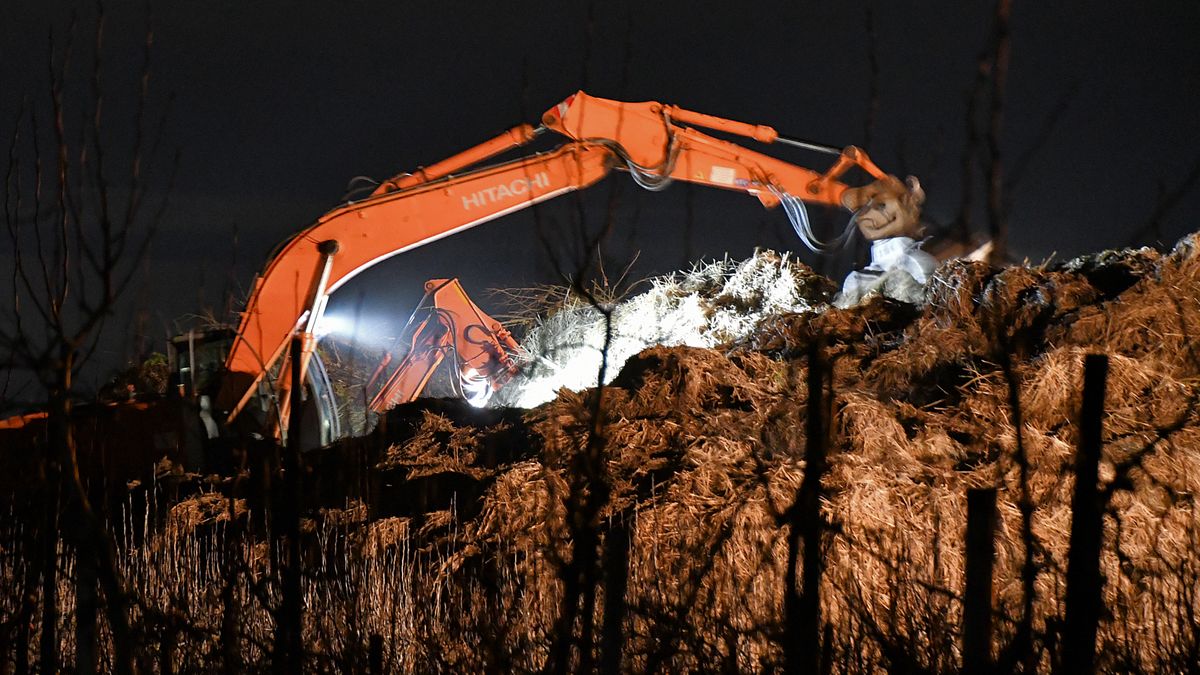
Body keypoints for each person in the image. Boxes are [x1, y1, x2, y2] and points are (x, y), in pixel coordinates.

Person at [834, 175, 935, 306]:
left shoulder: (916, 262)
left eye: (881, 206)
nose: (868, 215)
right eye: (861, 210)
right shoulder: (856, 279)